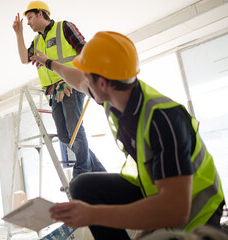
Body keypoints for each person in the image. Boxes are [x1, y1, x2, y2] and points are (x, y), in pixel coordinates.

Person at [30, 31, 225, 239]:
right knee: (82, 187)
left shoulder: (163, 120)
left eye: (88, 74)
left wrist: (93, 214)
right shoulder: (116, 94)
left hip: (195, 212)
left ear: (103, 84)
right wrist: (49, 63)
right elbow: (78, 81)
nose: (85, 80)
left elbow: (174, 212)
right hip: (156, 189)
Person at [13, 1, 106, 178]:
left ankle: (82, 172)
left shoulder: (64, 27)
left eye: (30, 17)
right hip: (54, 92)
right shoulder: (37, 40)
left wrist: (84, 77)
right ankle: (99, 171)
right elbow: (25, 59)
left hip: (71, 86)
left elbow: (85, 50)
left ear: (41, 14)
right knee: (64, 136)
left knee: (74, 131)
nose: (28, 22)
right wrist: (19, 34)